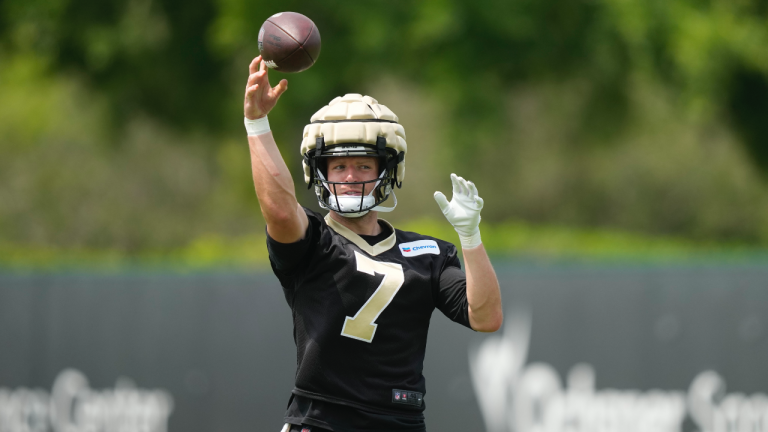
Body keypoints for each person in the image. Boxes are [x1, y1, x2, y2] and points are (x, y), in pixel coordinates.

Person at [244, 56, 503, 432]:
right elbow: (281, 213)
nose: (350, 177)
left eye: (364, 166)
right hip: (321, 422)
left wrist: (471, 236)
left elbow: (486, 317)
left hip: (400, 422)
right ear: (319, 173)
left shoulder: (429, 253)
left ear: (387, 171)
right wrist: (257, 123)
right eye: (338, 167)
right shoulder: (314, 242)